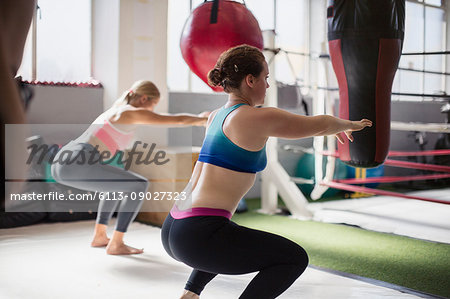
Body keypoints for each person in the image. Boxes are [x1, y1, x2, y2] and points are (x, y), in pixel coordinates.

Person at [161, 45, 372, 298]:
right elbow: (316, 124)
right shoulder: (252, 117)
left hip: (174, 227)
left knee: (228, 234)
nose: (268, 86)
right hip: (198, 237)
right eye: (266, 78)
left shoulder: (216, 116)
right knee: (293, 258)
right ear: (250, 80)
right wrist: (348, 124)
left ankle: (190, 294)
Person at [51, 80, 208, 255]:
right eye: (153, 105)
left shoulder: (115, 111)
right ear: (144, 99)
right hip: (77, 160)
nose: (152, 111)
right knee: (139, 184)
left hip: (65, 160)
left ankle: (100, 236)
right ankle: (117, 243)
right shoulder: (130, 112)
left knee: (116, 186)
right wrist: (202, 120)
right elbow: (176, 120)